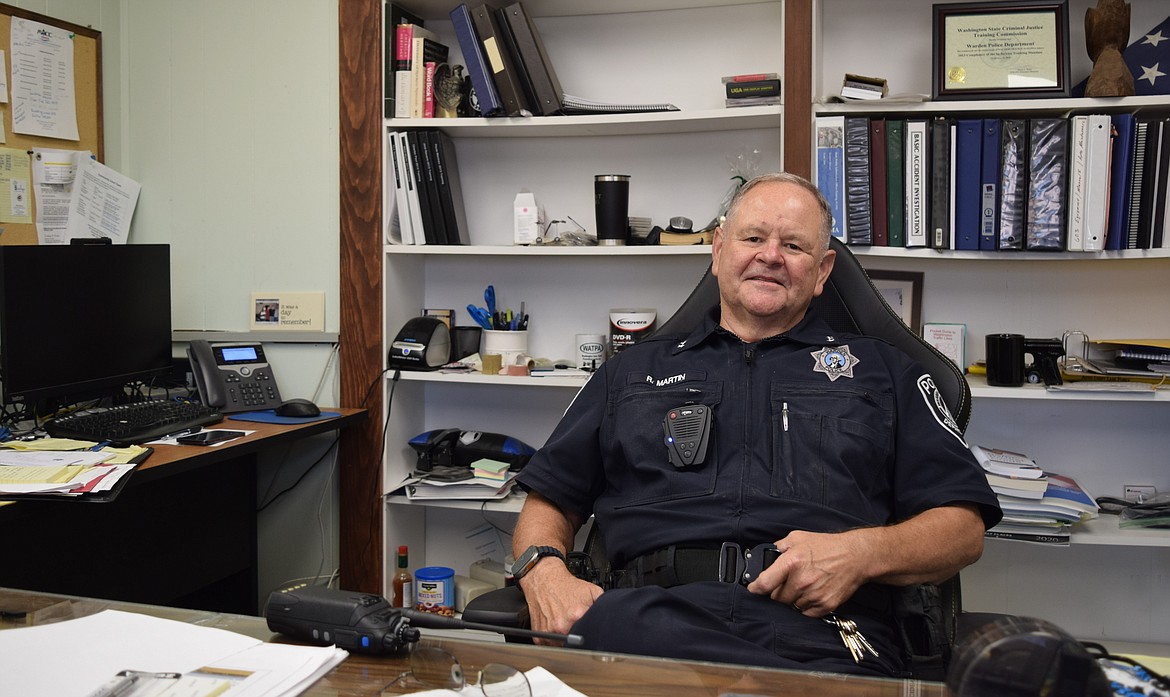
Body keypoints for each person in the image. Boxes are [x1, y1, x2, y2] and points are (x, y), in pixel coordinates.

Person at [510, 172, 1002, 677]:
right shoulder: (630, 372)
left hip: (827, 636)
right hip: (652, 622)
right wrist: (543, 572)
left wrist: (860, 553)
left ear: (822, 270)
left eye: (793, 245)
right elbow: (550, 497)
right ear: (719, 248)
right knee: (625, 630)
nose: (771, 255)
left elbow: (962, 529)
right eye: (753, 237)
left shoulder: (885, 373)